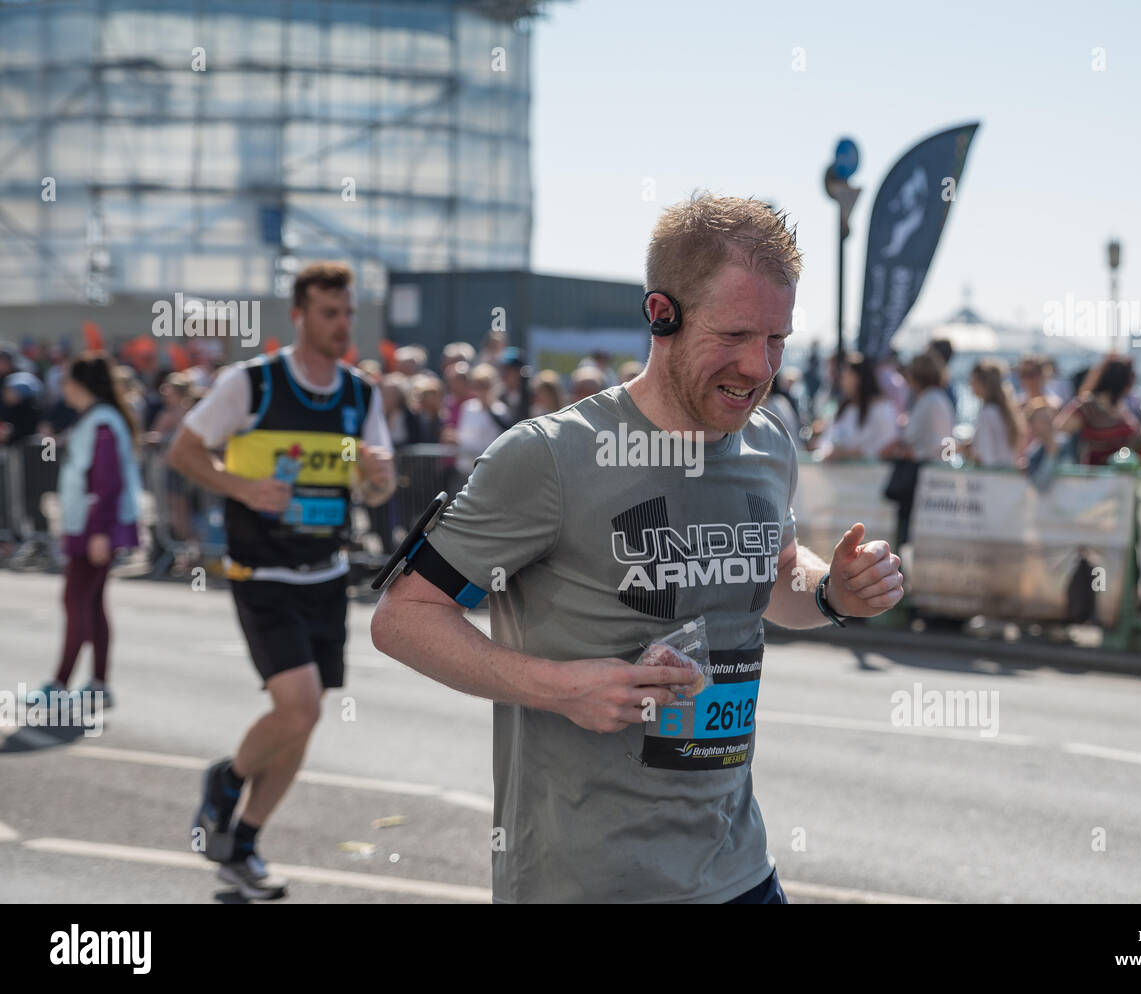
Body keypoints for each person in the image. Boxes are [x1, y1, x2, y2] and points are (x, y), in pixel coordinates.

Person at [370, 193, 904, 904]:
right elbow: (403, 617)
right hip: (587, 883)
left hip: (737, 870)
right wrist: (563, 689)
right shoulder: (550, 458)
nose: (758, 366)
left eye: (777, 339)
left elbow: (774, 579)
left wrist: (832, 590)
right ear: (662, 315)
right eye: (736, 333)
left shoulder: (767, 442)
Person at [167, 262, 396, 900]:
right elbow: (183, 452)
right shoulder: (253, 384)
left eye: (347, 312)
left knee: (304, 719)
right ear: (298, 316)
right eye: (329, 313)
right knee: (299, 705)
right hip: (262, 570)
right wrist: (242, 487)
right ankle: (226, 779)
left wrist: (377, 474)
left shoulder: (360, 394)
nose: (341, 324)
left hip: (325, 574)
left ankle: (243, 846)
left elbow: (377, 484)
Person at [26, 353, 142, 711]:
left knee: (76, 601)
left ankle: (60, 684)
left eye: (66, 382)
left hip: (93, 529)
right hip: (92, 526)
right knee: (92, 603)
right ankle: (98, 684)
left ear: (78, 385)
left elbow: (105, 482)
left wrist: (99, 532)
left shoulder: (101, 422)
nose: (63, 390)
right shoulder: (100, 419)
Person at [1055, 355, 1141, 466]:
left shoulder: (1121, 405)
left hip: (1122, 474)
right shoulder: (1087, 406)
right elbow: (1059, 430)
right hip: (1093, 476)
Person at [816, 352, 897, 461]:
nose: (842, 381)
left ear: (858, 378)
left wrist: (851, 453)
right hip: (840, 475)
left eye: (846, 375)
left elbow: (888, 445)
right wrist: (830, 450)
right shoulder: (846, 408)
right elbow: (827, 438)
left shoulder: (882, 408)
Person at [882, 352, 955, 462]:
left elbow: (925, 441)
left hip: (926, 468)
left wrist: (904, 451)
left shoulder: (930, 401)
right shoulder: (934, 398)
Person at [965, 359, 1025, 468]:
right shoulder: (1002, 410)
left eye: (973, 380)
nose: (970, 383)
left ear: (982, 383)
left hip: (992, 478)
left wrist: (966, 452)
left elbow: (986, 457)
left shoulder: (988, 413)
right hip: (1006, 474)